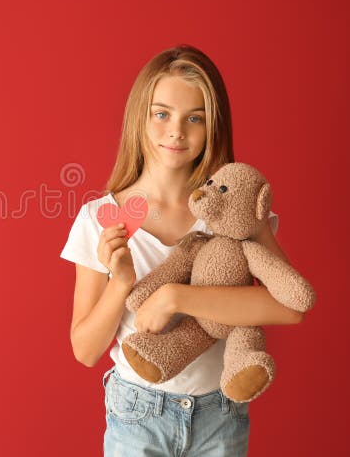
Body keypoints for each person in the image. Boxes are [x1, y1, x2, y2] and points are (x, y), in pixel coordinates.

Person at [59, 44, 306, 456]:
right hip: (138, 414)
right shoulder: (100, 217)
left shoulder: (234, 210)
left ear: (214, 128)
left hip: (220, 415)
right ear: (140, 116)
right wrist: (121, 284)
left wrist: (176, 296)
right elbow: (85, 351)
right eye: (162, 114)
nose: (176, 131)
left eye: (195, 118)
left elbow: (289, 306)